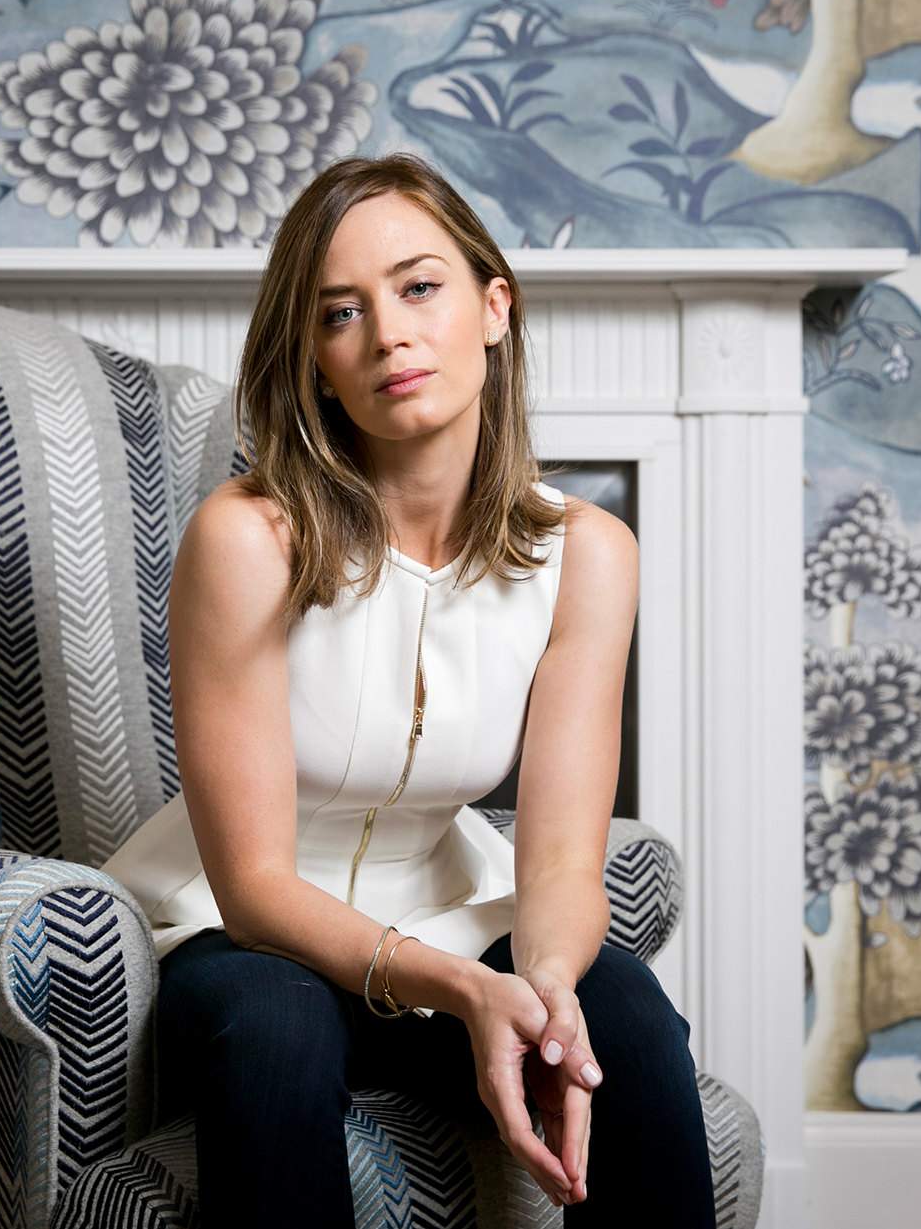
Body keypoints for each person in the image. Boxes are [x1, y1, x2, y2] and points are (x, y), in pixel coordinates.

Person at [95, 152, 716, 1226]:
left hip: (452, 908)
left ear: (494, 307)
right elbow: (253, 886)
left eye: (419, 287)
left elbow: (561, 863)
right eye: (341, 313)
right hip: (240, 937)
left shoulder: (586, 553)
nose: (387, 334)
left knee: (626, 1015)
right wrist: (464, 989)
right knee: (278, 1027)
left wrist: (544, 989)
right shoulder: (246, 539)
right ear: (315, 361)